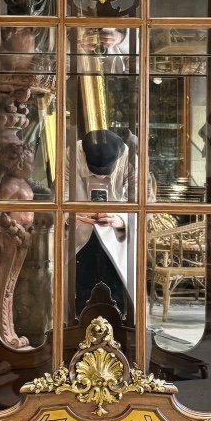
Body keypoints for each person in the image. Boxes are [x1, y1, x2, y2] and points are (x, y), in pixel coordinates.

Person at [70, 129, 135, 319]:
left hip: (116, 233)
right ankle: (78, 332)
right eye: (94, 171)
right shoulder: (71, 155)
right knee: (80, 285)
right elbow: (62, 191)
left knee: (115, 286)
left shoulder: (130, 160)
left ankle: (118, 332)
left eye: (105, 172)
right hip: (80, 232)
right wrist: (69, 214)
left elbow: (144, 200)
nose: (100, 178)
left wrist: (120, 218)